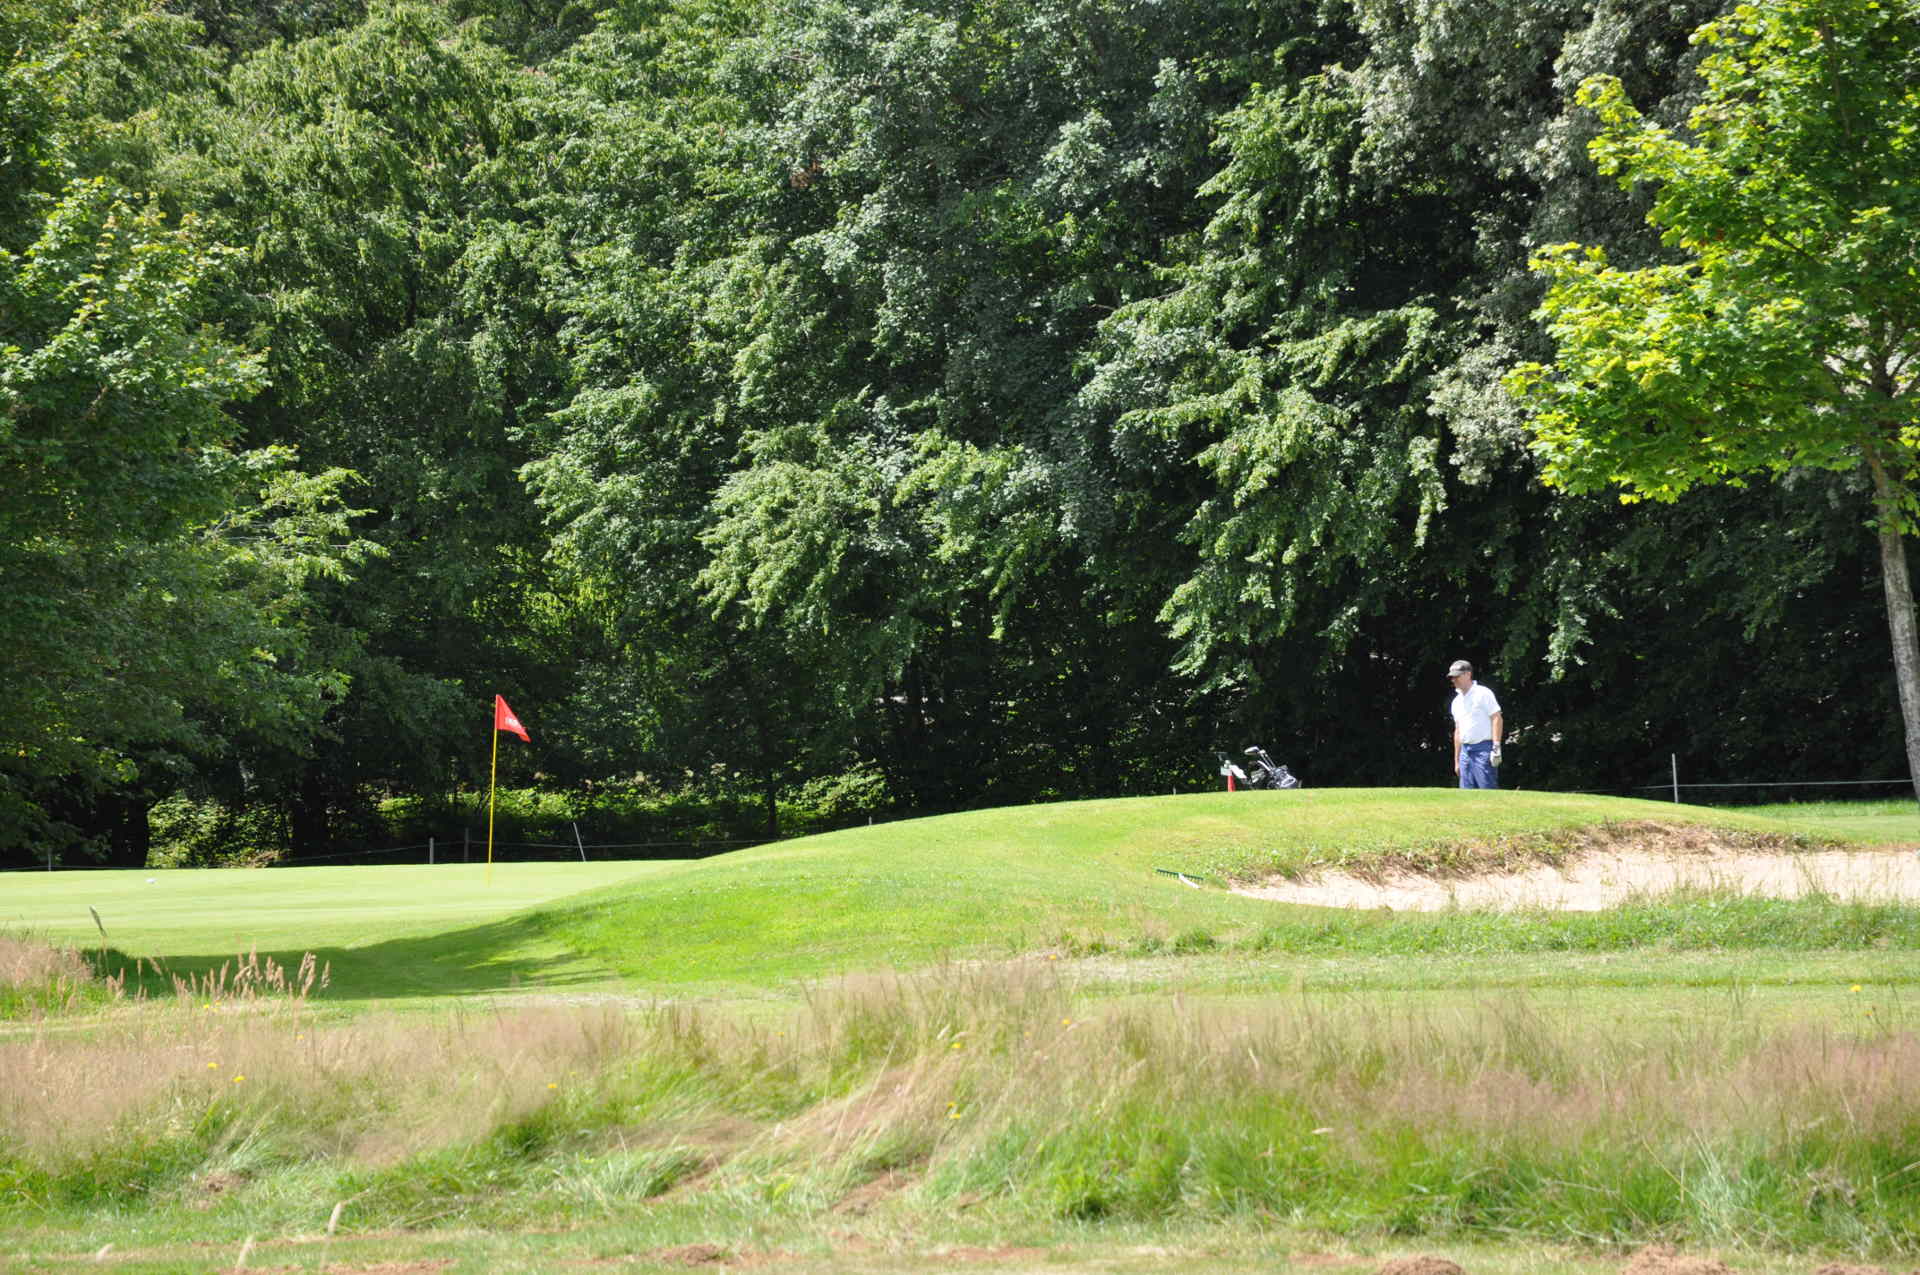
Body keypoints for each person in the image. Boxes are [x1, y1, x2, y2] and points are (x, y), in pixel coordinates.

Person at [1447, 659, 1502, 789]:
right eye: (1452, 677)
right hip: (1465, 752)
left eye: (1456, 676)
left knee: (1487, 790)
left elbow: (1497, 718)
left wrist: (1496, 747)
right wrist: (1457, 761)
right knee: (1466, 794)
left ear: (1468, 674)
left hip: (1484, 749)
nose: (1453, 680)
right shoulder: (1456, 701)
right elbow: (1458, 731)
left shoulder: (1483, 693)